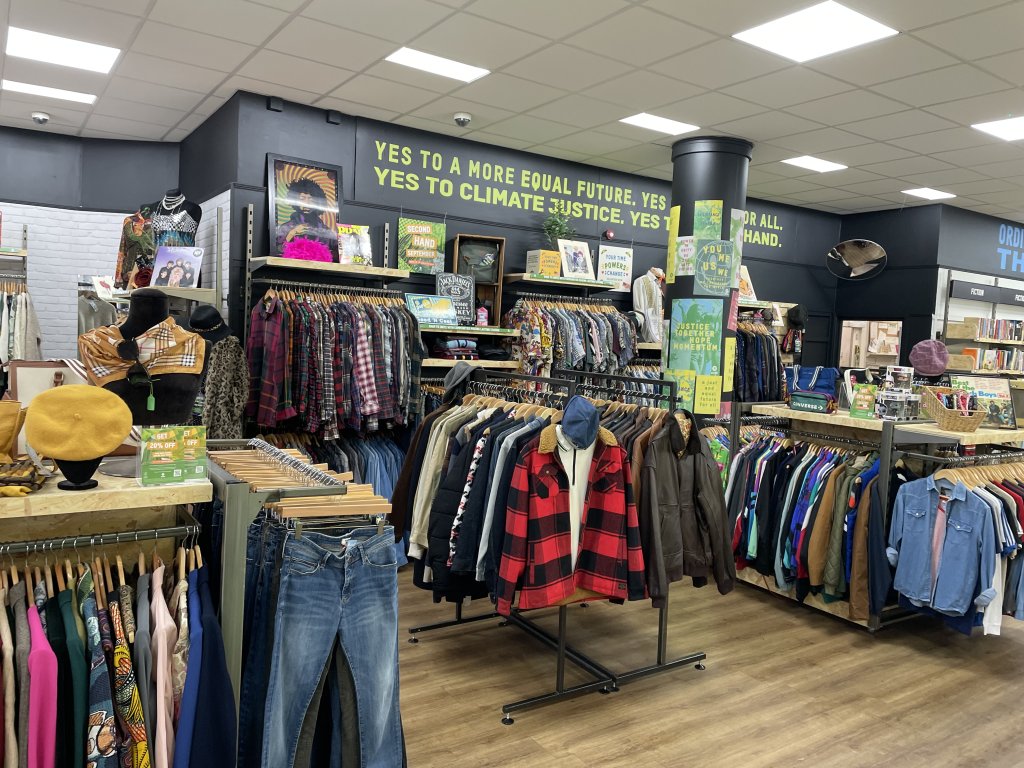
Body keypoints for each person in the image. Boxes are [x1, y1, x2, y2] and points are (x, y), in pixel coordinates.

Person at [275, 177, 338, 256]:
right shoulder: (287, 227)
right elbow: (278, 252)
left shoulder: (325, 230)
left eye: (310, 199)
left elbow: (338, 253)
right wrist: (292, 233)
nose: (306, 203)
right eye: (302, 198)